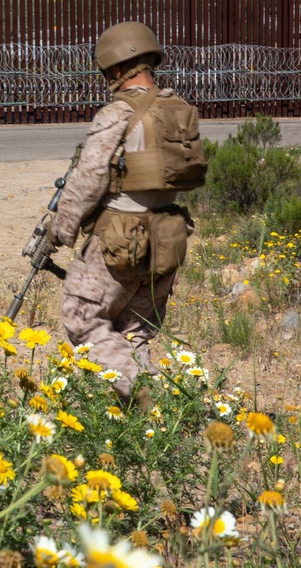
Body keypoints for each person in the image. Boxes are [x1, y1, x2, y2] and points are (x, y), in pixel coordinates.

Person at [47, 22, 203, 406]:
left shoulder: (118, 113)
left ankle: (146, 390)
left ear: (117, 69)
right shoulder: (178, 110)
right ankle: (143, 423)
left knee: (82, 316)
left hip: (118, 238)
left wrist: (59, 230)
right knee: (135, 329)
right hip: (168, 237)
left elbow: (89, 178)